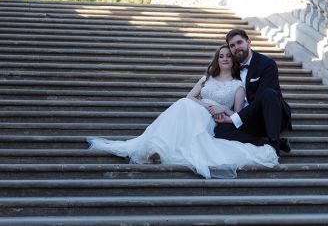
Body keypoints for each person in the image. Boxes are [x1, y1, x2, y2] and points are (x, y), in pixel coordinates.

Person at [87, 45, 278, 179]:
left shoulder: (238, 86)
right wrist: (205, 105)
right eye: (221, 56)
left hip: (214, 118)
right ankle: (156, 150)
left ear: (232, 60)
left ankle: (158, 148)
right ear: (217, 60)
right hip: (197, 109)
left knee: (184, 106)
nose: (225, 58)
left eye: (228, 56)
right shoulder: (207, 78)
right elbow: (190, 96)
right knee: (183, 104)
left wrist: (222, 109)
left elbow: (237, 114)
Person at [211, 29, 292, 156]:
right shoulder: (232, 67)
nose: (236, 47)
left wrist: (233, 119)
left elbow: (260, 99)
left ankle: (274, 141)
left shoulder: (267, 64)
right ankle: (266, 143)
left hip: (271, 117)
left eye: (239, 42)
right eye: (232, 45)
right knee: (220, 131)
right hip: (248, 118)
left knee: (269, 93)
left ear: (249, 42)